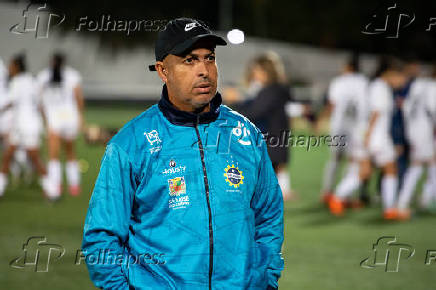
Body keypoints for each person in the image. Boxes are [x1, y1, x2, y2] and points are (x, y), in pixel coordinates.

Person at [82, 18, 284, 290]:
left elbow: (269, 217)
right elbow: (101, 238)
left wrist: (265, 278)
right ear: (163, 71)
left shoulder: (245, 134)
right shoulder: (129, 144)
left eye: (209, 58)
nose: (204, 70)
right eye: (190, 60)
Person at [227, 53, 293, 201]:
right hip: (272, 141)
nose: (254, 74)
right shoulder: (272, 89)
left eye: (258, 70)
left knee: (260, 185)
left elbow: (254, 112)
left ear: (267, 71)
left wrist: (233, 103)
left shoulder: (272, 90)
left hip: (271, 141)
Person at [325, 55, 372, 216]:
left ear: (348, 67)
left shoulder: (339, 81)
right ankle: (346, 196)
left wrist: (322, 119)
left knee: (335, 160)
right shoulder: (364, 82)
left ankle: (328, 192)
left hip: (338, 126)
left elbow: (333, 103)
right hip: (358, 127)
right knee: (354, 162)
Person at [0, 54, 50, 197]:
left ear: (16, 66)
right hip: (26, 125)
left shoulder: (17, 82)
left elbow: (10, 102)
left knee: (34, 157)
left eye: (11, 66)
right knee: (8, 155)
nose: (9, 69)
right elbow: (40, 104)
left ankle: (51, 189)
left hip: (25, 125)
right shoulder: (32, 81)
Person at [37, 53, 85, 199]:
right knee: (70, 152)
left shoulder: (43, 76)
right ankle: (74, 185)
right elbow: (78, 99)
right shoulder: (72, 75)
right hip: (70, 117)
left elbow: (39, 101)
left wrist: (44, 119)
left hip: (54, 118)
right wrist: (81, 118)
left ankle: (56, 185)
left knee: (53, 155)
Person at [364, 58, 406, 220]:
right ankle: (390, 209)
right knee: (387, 170)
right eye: (399, 77)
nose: (401, 81)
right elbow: (375, 112)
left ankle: (390, 208)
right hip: (378, 137)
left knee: (370, 171)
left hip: (379, 137)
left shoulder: (381, 87)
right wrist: (368, 135)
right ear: (390, 73)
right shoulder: (379, 88)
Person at [396, 64, 436, 219]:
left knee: (427, 164)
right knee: (419, 165)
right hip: (425, 130)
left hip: (413, 130)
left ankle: (426, 198)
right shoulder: (432, 87)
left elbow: (405, 107)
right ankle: (403, 203)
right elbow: (433, 109)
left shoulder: (417, 84)